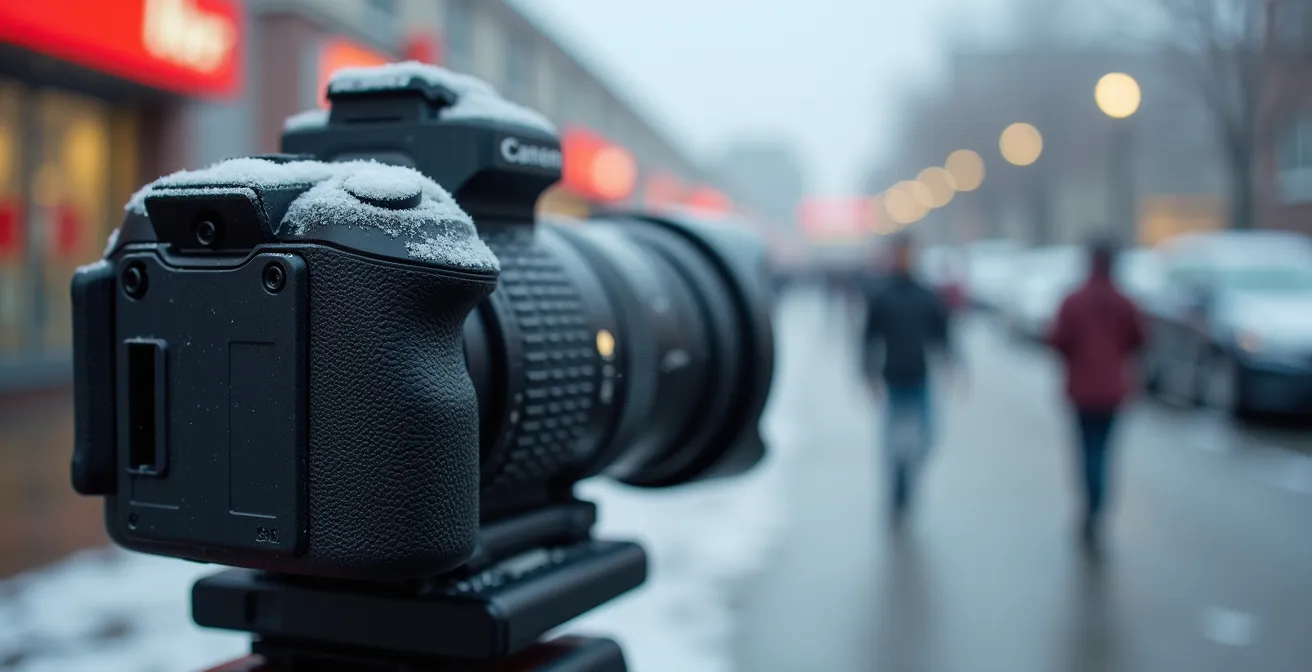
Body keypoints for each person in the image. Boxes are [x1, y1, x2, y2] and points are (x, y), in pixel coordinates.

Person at [1048, 238, 1146, 555]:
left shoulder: (1074, 300)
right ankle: (1098, 510)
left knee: (1086, 452)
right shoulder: (1124, 301)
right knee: (1104, 452)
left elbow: (1057, 339)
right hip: (1113, 390)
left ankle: (1090, 509)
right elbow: (1140, 339)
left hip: (1082, 389)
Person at [860, 234, 956, 525]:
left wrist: (953, 364)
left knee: (926, 439)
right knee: (894, 446)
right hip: (894, 381)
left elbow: (942, 333)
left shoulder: (925, 295)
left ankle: (908, 480)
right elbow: (869, 339)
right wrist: (869, 375)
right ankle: (898, 492)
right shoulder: (883, 296)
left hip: (920, 379)